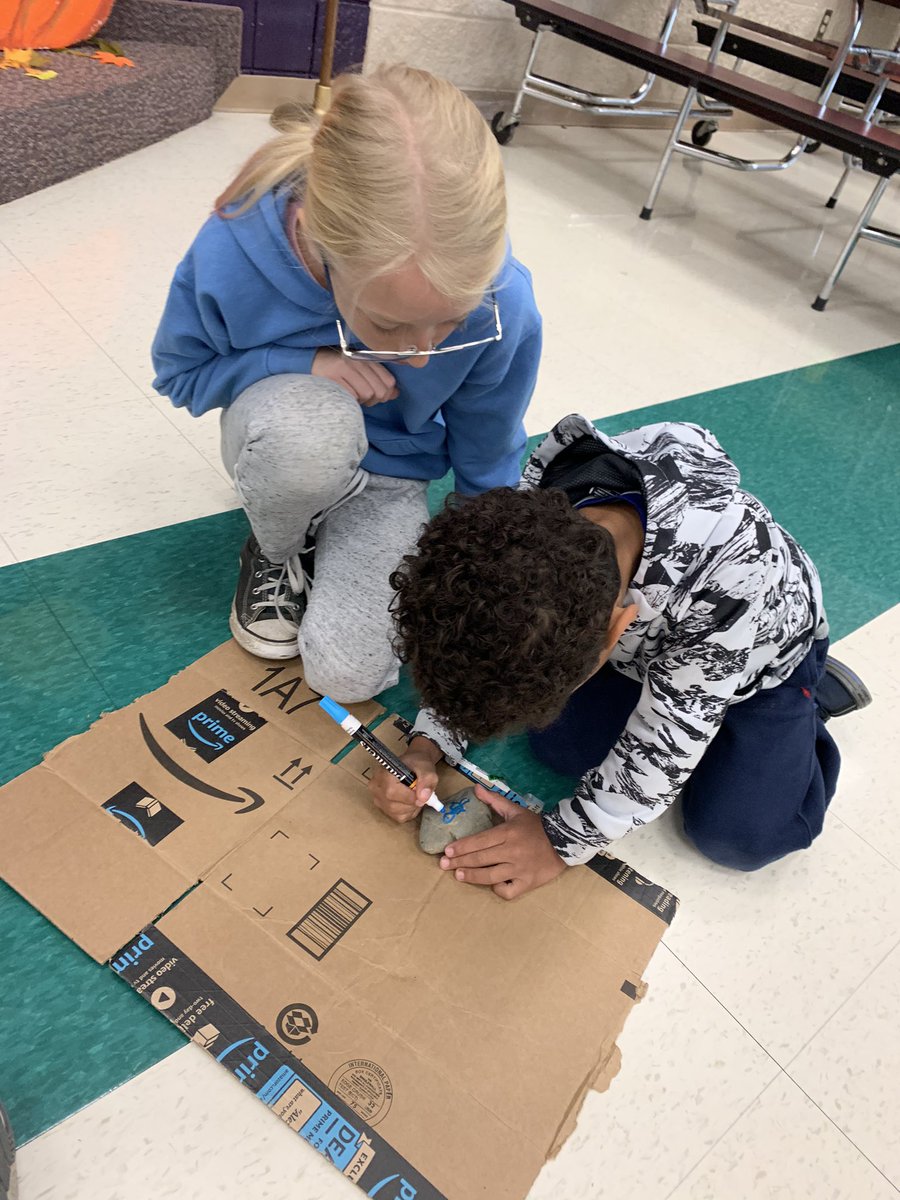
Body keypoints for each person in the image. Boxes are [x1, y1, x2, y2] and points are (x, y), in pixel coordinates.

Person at [151, 65, 542, 701]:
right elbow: (181, 376)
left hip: (390, 477)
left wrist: (485, 559)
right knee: (306, 442)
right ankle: (276, 547)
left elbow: (489, 440)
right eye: (389, 324)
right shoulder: (232, 247)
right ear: (321, 240)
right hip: (285, 434)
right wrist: (303, 362)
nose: (421, 360)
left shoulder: (505, 300)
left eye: (450, 322)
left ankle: (328, 530)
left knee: (350, 677)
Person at [369, 414, 871, 898]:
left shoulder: (738, 572)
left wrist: (559, 841)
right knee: (558, 743)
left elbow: (665, 744)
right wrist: (428, 743)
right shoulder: (524, 527)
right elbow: (476, 645)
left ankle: (809, 706)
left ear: (616, 626)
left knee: (738, 836)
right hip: (649, 654)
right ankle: (705, 719)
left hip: (766, 658)